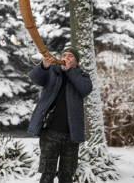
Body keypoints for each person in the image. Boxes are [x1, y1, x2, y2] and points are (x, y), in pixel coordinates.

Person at [27, 47, 93, 183]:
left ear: (76, 61)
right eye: (64, 55)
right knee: (47, 173)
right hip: (50, 131)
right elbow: (34, 78)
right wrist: (44, 67)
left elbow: (85, 90)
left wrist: (70, 71)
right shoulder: (52, 71)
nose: (66, 58)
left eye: (70, 56)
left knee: (67, 175)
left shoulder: (83, 76)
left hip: (71, 134)